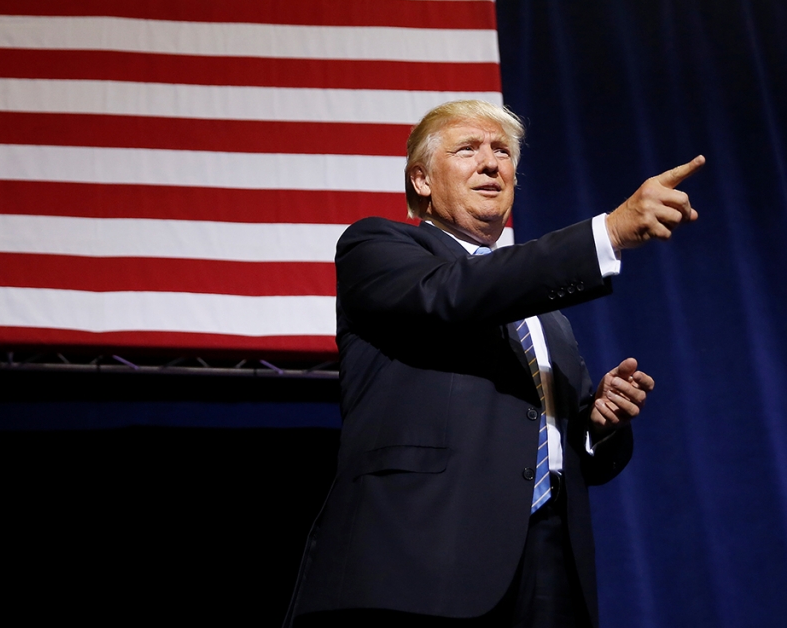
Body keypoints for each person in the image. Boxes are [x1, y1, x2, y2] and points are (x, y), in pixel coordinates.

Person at [284, 101, 703, 628]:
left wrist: (597, 423)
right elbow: (454, 295)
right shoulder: (377, 246)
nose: (491, 164)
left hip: (548, 564)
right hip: (419, 557)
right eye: (469, 149)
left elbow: (563, 447)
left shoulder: (544, 313)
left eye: (502, 152)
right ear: (422, 180)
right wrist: (607, 232)